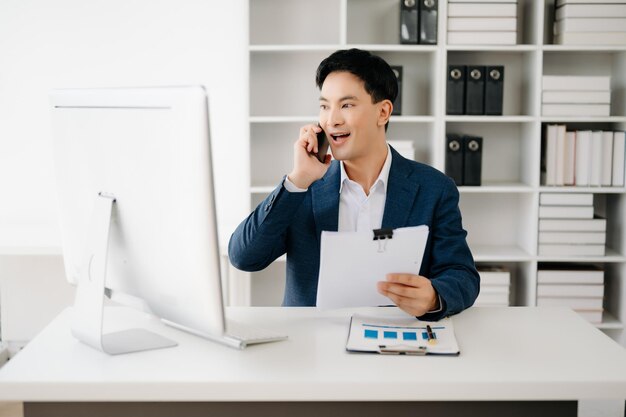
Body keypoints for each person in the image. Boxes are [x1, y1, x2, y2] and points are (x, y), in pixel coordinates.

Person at [229, 48, 479, 321]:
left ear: (383, 112)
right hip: (312, 345)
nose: (332, 119)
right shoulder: (304, 186)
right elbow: (245, 257)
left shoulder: (434, 188)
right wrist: (297, 180)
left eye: (346, 105)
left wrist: (433, 297)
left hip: (393, 341)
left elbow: (462, 274)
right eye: (325, 106)